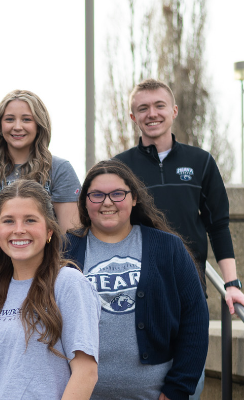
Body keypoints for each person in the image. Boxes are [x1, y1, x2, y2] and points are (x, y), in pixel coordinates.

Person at [114, 79, 242, 399]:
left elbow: (218, 225)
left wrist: (231, 284)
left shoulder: (201, 161)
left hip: (190, 285)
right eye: (143, 108)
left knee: (187, 376)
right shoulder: (120, 167)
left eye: (159, 106)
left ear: (173, 111)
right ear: (133, 116)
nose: (152, 114)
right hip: (138, 286)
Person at [63, 159, 208, 400]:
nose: (107, 202)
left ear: (134, 198)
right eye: (96, 195)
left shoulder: (167, 247)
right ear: (85, 202)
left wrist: (178, 388)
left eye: (117, 194)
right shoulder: (65, 250)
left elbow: (195, 319)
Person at [0, 179, 100, 400]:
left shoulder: (68, 284)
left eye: (30, 220)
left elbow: (86, 373)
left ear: (49, 230)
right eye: (9, 221)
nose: (19, 230)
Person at [0, 89, 80, 230]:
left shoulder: (59, 170)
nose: (17, 127)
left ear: (39, 125)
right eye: (9, 119)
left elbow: (69, 235)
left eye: (26, 119)